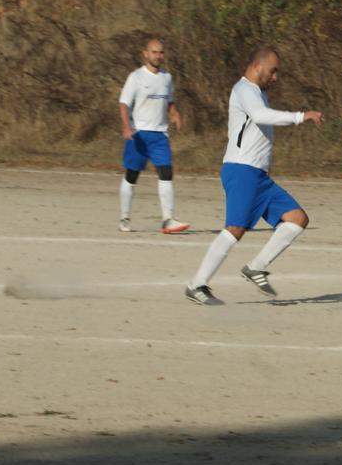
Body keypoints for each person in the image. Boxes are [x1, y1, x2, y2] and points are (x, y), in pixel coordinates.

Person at [184, 47, 324, 305]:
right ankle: (196, 285)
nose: (275, 77)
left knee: (297, 219)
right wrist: (299, 116)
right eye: (273, 71)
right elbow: (260, 116)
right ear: (257, 66)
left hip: (258, 175)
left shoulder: (257, 92)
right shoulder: (245, 90)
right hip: (241, 169)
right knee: (235, 229)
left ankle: (256, 267)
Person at [117, 38, 190, 234]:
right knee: (132, 176)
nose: (158, 56)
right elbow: (124, 103)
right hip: (139, 134)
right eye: (154, 52)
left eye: (161, 52)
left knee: (166, 174)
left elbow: (169, 101)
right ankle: (124, 217)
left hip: (160, 135)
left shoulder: (167, 77)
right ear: (145, 53)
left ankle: (168, 219)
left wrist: (174, 114)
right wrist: (126, 127)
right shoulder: (136, 77)